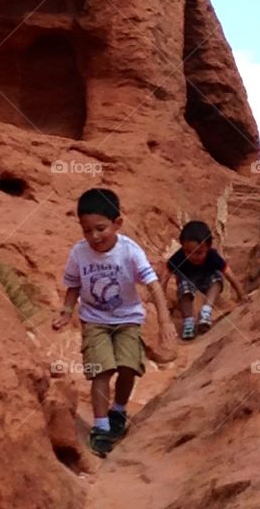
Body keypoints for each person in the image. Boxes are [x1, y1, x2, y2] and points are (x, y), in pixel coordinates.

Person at [53, 187, 176, 457]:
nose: (94, 237)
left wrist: (165, 322)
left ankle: (118, 410)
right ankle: (101, 427)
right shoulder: (79, 253)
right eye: (87, 231)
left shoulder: (130, 251)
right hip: (94, 320)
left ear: (117, 223)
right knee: (101, 370)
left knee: (129, 366)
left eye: (100, 228)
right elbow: (73, 285)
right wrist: (66, 311)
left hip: (128, 319)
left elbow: (153, 284)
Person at [163, 220, 244, 341]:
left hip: (206, 279)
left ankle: (206, 310)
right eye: (188, 252)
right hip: (187, 279)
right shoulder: (179, 258)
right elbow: (165, 276)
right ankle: (188, 321)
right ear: (182, 247)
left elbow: (228, 273)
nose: (193, 257)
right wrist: (161, 298)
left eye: (199, 253)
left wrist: (241, 294)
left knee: (217, 279)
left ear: (208, 247)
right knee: (184, 290)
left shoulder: (213, 256)